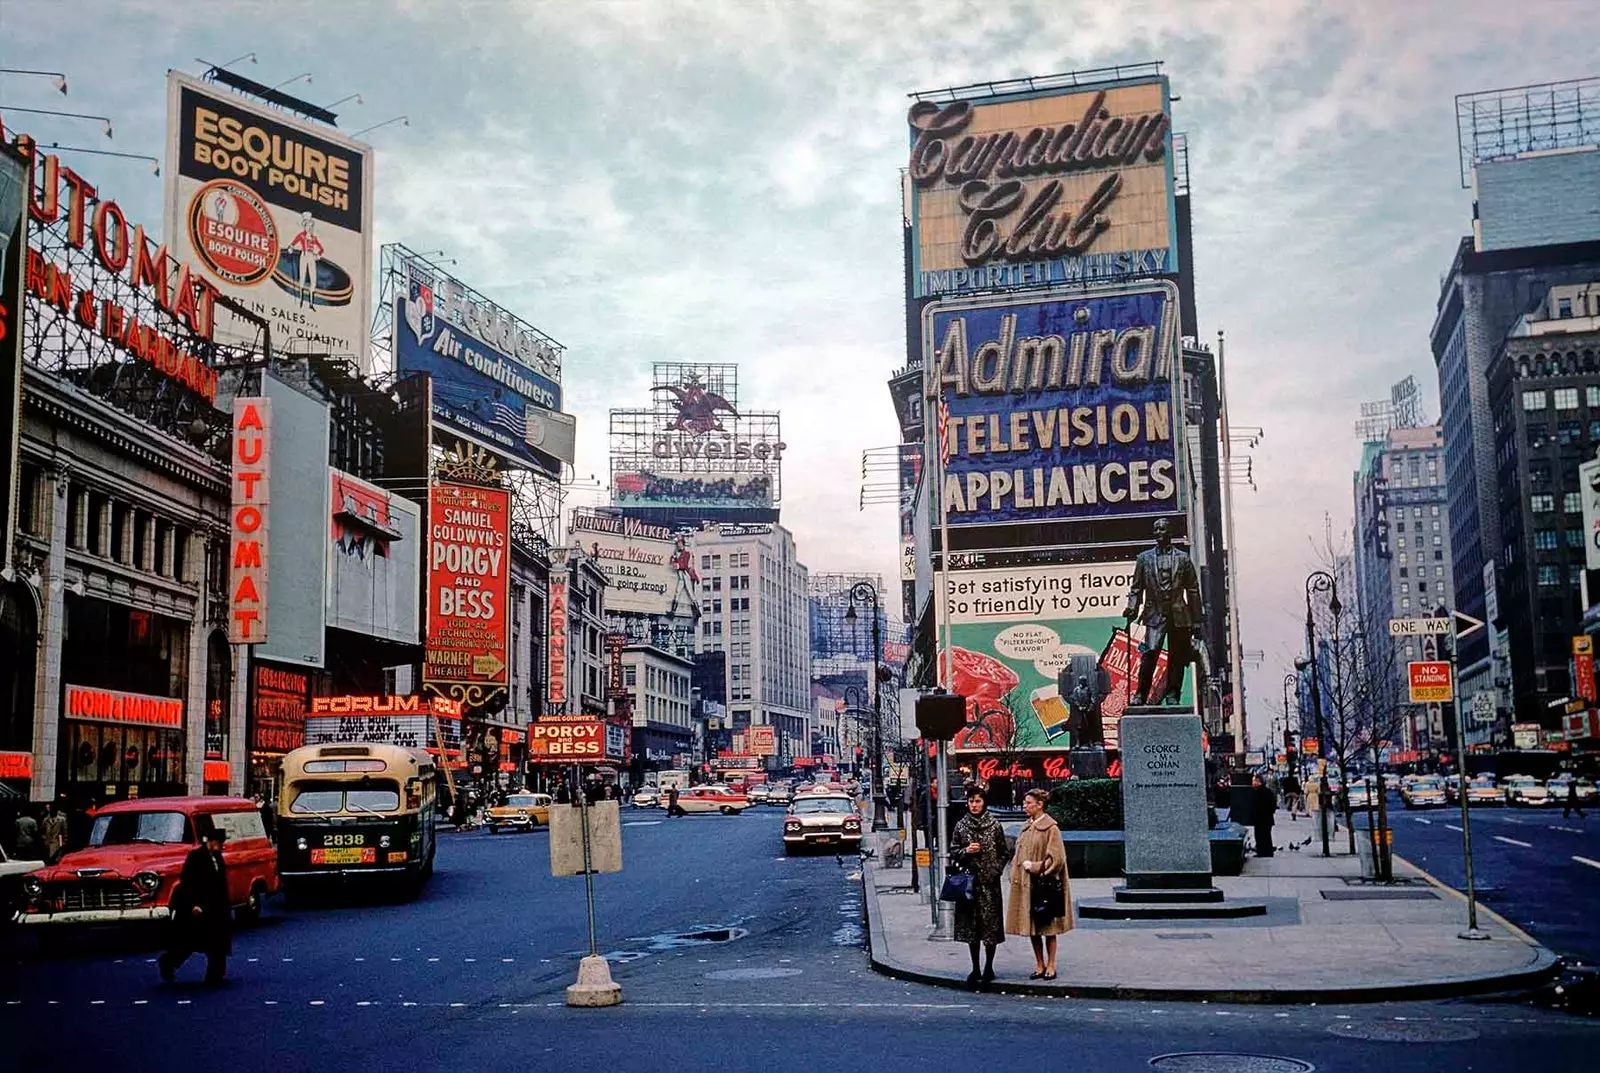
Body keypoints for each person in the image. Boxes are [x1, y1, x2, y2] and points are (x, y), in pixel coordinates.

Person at [1006, 788, 1072, 980]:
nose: (1025, 806)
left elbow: (1057, 859)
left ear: (1039, 804)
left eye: (1028, 803)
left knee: (1049, 927)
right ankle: (1039, 964)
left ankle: (1051, 964)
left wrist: (1034, 867)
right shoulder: (1027, 827)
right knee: (1033, 926)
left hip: (1044, 885)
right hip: (1027, 885)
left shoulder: (1051, 828)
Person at [160, 826, 232, 986]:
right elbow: (187, 883)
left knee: (217, 942)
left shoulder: (218, 857)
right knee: (188, 943)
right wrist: (194, 904)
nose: (222, 846)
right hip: (195, 908)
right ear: (212, 842)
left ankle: (215, 976)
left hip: (214, 907)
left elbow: (220, 884)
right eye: (220, 843)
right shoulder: (196, 857)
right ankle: (168, 962)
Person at [950, 787, 1008, 988]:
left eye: (978, 801)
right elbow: (953, 851)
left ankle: (988, 967)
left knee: (990, 927)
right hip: (968, 884)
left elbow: (1004, 852)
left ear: (984, 803)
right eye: (971, 801)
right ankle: (975, 967)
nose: (974, 805)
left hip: (989, 884)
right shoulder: (961, 825)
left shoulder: (994, 825)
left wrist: (996, 870)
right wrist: (966, 851)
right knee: (971, 928)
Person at [1252, 773, 1277, 857]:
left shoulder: (1257, 792)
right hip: (1267, 818)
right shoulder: (1268, 791)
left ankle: (1261, 852)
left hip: (1260, 818)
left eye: (1254, 781)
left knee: (1259, 835)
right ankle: (1268, 851)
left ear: (1259, 782)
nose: (1253, 783)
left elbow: (1255, 806)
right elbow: (1273, 804)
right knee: (1267, 835)